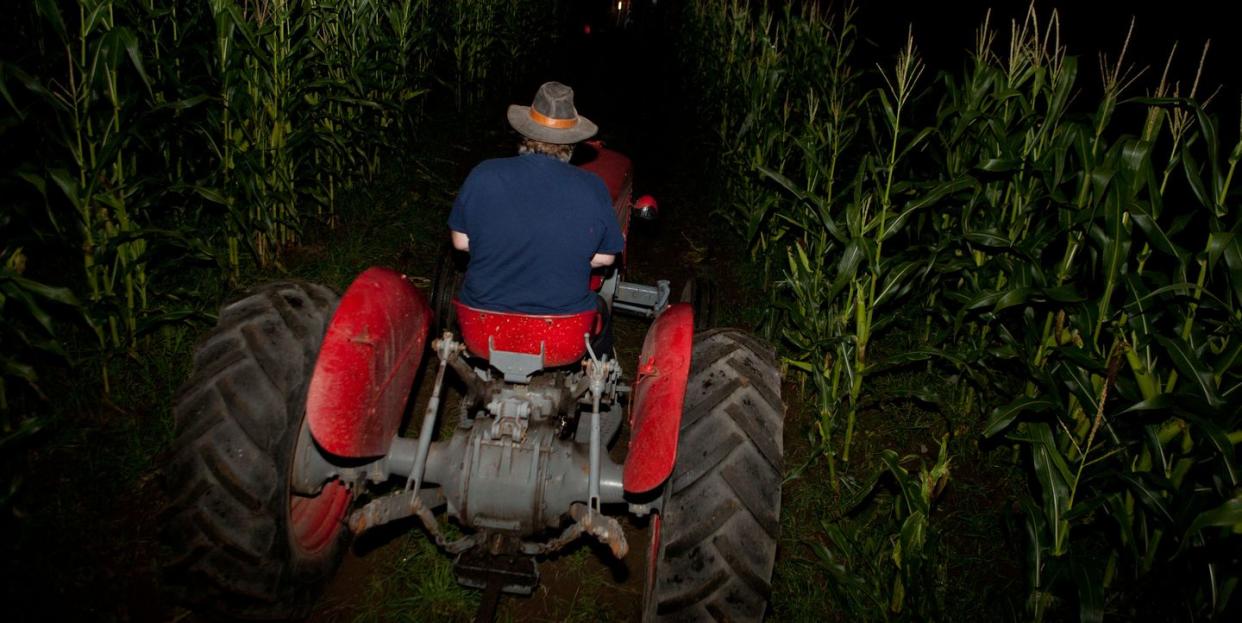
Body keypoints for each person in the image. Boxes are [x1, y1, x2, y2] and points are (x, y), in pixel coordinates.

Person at [448, 82, 624, 323]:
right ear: (572, 142)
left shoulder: (484, 173)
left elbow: (460, 242)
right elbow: (605, 258)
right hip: (562, 325)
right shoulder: (593, 186)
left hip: (482, 319)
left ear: (524, 132)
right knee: (601, 322)